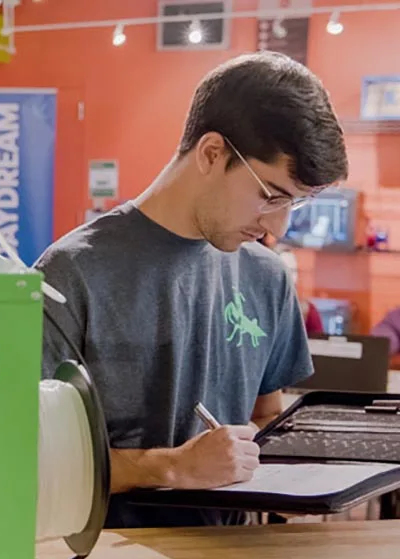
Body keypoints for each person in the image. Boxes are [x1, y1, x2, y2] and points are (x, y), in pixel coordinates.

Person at [37, 52, 348, 529]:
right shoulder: (73, 273)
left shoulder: (267, 276)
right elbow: (32, 456)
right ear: (211, 153)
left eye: (296, 205)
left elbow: (266, 415)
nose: (279, 227)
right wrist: (173, 466)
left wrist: (289, 476)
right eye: (271, 196)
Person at [258, 233, 324, 335]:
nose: (290, 276)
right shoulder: (252, 304)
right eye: (285, 271)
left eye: (293, 271)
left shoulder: (308, 311)